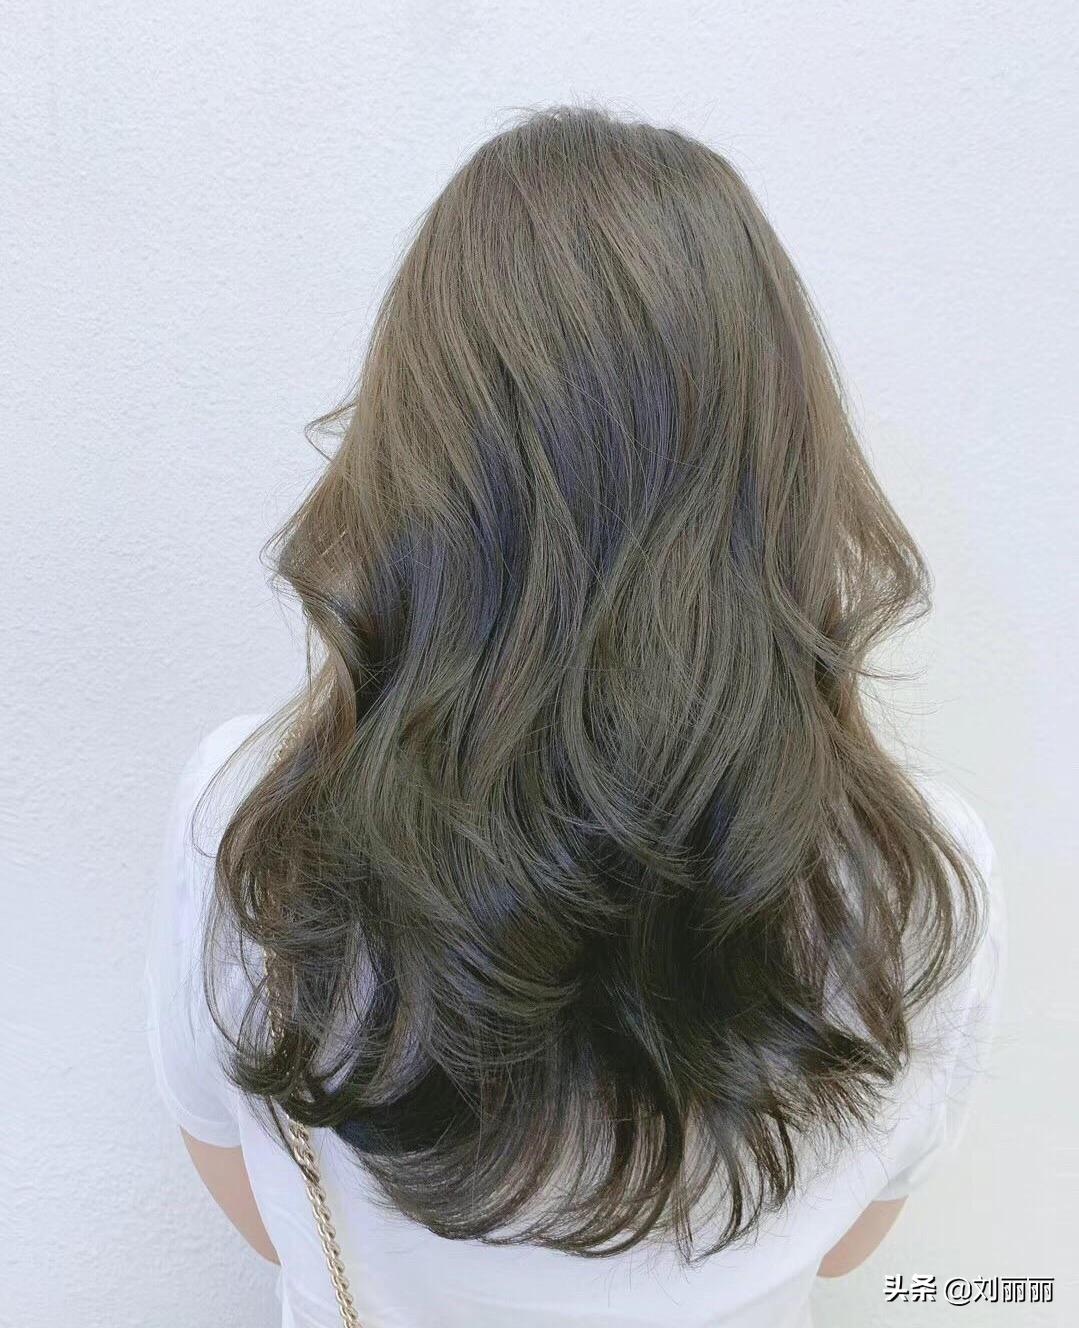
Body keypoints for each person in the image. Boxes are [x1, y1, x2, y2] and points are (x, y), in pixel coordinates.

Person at [145, 104, 1005, 1328]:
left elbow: (241, 1171)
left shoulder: (250, 819)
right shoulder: (912, 873)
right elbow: (853, 1239)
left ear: (418, 448)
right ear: (779, 460)